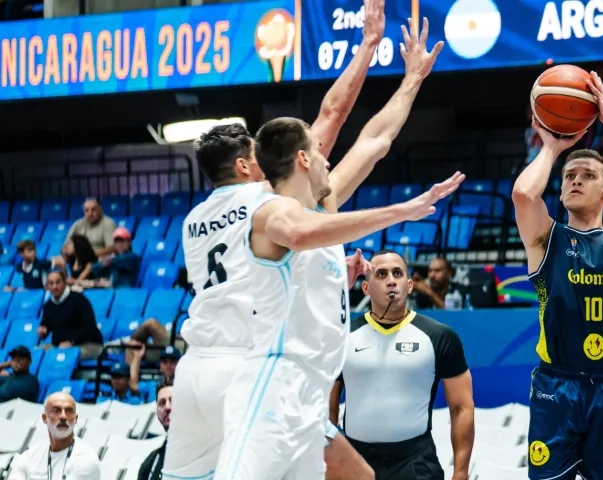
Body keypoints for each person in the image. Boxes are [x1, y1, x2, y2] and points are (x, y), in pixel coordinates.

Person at [215, 17, 455, 480]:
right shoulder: (271, 213)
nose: (330, 157)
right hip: (271, 387)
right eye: (321, 152)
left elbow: (375, 141)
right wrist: (400, 210)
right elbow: (332, 122)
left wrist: (411, 81)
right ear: (304, 159)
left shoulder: (322, 208)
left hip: (304, 390)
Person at [162, 1, 388, 478]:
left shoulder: (192, 220)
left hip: (194, 368)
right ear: (245, 166)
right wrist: (368, 45)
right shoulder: (265, 201)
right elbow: (332, 113)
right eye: (254, 151)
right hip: (248, 369)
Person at [511, 71, 603, 480]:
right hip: (557, 384)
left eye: (588, 176)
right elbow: (524, 195)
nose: (576, 180)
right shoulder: (547, 239)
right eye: (569, 177)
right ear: (560, 191)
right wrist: (552, 146)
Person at [330, 250, 474, 480]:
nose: (391, 280)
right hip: (354, 459)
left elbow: (462, 408)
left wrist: (460, 473)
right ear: (366, 288)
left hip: (416, 462)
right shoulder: (342, 336)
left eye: (397, 273)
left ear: (409, 286)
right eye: (381, 274)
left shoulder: (440, 336)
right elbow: (329, 409)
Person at [8, 392, 101, 480]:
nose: (63, 417)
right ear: (44, 418)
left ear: (76, 419)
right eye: (56, 410)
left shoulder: (86, 459)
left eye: (69, 411)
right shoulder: (30, 455)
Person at [39, 270, 104, 360]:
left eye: (58, 282)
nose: (55, 287)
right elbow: (46, 325)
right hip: (59, 346)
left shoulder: (79, 300)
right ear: (47, 286)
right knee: (36, 353)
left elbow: (89, 328)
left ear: (65, 283)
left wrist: (72, 342)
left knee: (65, 356)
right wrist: (43, 330)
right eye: (51, 283)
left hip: (88, 345)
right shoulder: (48, 305)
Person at [138, 380, 173, 480]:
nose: (167, 407)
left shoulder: (201, 453)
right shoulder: (150, 463)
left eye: (173, 400)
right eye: (162, 403)